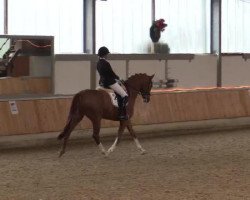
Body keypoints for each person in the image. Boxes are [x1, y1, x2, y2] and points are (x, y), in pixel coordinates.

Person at [96, 46, 128, 120]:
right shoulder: (106, 63)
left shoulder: (98, 63)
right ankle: (121, 114)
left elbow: (104, 74)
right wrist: (118, 78)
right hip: (109, 82)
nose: (107, 55)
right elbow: (111, 74)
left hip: (102, 82)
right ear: (104, 55)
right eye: (107, 54)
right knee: (124, 95)